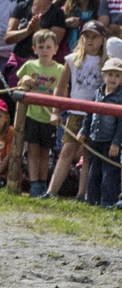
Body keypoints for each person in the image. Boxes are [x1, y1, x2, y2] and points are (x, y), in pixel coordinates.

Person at [45, 21, 105, 199]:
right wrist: (56, 111)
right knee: (66, 151)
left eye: (94, 37)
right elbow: (61, 86)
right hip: (76, 113)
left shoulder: (106, 63)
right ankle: (51, 191)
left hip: (97, 115)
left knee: (89, 156)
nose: (90, 41)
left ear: (102, 40)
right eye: (87, 36)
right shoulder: (72, 60)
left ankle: (83, 193)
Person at [17, 29, 63, 196]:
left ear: (55, 49)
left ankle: (43, 184)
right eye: (41, 47)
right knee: (33, 151)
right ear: (34, 49)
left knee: (45, 153)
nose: (45, 50)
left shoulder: (60, 69)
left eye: (48, 47)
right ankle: (34, 183)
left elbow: (63, 90)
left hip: (49, 117)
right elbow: (19, 80)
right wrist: (24, 79)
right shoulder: (30, 65)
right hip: (32, 115)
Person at [4, 0, 66, 74]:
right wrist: (27, 31)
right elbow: (8, 38)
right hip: (17, 62)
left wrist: (38, 30)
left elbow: (54, 44)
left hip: (40, 67)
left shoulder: (58, 14)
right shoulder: (22, 7)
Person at [82, 58, 122, 207]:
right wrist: (84, 130)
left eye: (117, 75)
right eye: (110, 74)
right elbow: (89, 113)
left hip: (110, 140)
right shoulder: (98, 92)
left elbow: (121, 123)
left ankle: (108, 201)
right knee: (94, 170)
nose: (113, 78)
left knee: (110, 172)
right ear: (103, 75)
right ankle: (92, 199)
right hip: (95, 137)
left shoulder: (120, 97)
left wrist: (117, 142)